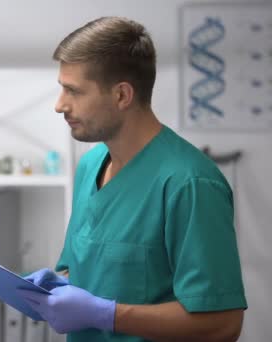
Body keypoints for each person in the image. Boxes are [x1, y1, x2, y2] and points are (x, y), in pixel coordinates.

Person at [17, 17, 247, 342]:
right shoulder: (89, 166)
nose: (59, 105)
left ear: (122, 95)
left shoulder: (189, 183)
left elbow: (223, 324)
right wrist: (56, 289)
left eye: (73, 91)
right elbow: (95, 272)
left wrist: (106, 314)